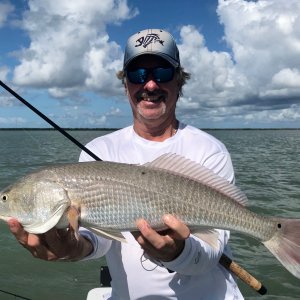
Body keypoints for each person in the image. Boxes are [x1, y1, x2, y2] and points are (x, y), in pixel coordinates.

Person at [8, 29, 243, 299]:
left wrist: (178, 252)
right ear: (126, 85)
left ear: (179, 82)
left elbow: (211, 252)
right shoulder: (98, 149)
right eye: (138, 75)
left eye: (163, 73)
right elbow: (99, 239)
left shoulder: (210, 150)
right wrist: (74, 248)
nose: (150, 85)